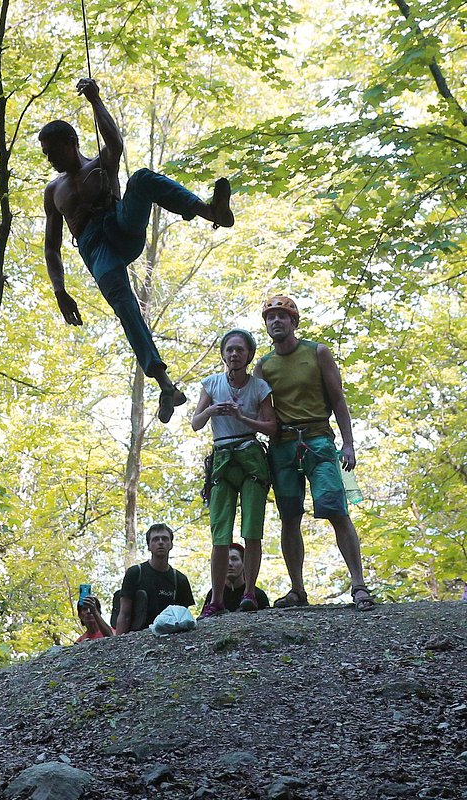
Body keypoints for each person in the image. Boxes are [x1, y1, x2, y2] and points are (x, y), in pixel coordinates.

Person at [40, 78, 235, 424]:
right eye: (44, 152)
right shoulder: (53, 191)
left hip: (119, 223)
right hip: (95, 248)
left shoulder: (99, 164)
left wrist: (95, 100)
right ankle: (165, 386)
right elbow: (52, 247)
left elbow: (115, 141)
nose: (48, 157)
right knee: (125, 305)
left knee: (142, 178)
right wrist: (60, 291)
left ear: (71, 142)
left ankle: (210, 212)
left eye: (52, 149)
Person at [253, 295, 376, 612]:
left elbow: (338, 400)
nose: (276, 321)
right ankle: (297, 589)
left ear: (294, 322)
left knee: (336, 509)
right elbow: (261, 411)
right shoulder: (263, 366)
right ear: (266, 325)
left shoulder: (317, 352)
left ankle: (359, 585)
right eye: (271, 317)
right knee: (289, 516)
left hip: (319, 439)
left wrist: (348, 443)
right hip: (282, 446)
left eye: (282, 316)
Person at [192, 328, 277, 617]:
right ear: (223, 354)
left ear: (249, 355)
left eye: (240, 350)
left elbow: (271, 427)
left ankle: (249, 593)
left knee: (252, 530)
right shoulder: (212, 384)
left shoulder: (259, 387)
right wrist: (214, 410)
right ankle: (216, 599)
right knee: (220, 533)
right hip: (222, 459)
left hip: (251, 456)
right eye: (230, 350)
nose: (234, 354)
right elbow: (196, 423)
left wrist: (242, 417)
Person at [114, 523, 196, 633]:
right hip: (137, 637)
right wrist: (120, 644)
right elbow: (124, 614)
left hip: (169, 638)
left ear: (171, 545)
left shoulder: (180, 580)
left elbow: (182, 617)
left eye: (165, 539)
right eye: (155, 539)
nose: (160, 542)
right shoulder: (135, 573)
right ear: (148, 546)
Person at [201, 542, 270, 612]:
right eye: (225, 560)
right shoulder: (213, 595)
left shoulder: (257, 595)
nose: (229, 563)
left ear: (244, 563)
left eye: (234, 559)